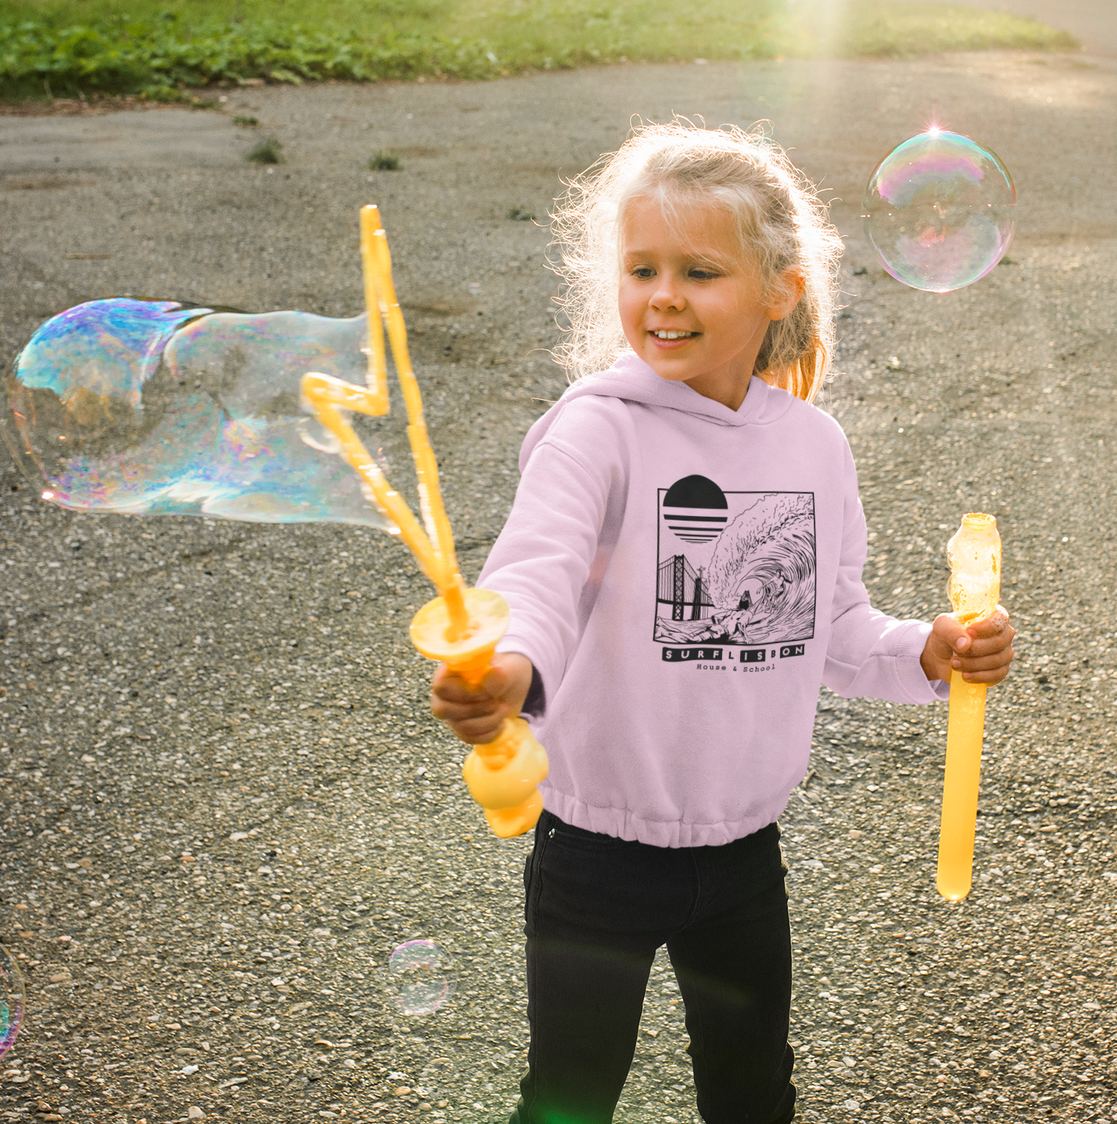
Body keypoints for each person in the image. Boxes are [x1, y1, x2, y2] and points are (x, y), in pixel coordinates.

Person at [430, 121, 1015, 1124]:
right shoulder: (596, 429)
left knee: (752, 1091)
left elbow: (830, 623)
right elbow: (537, 567)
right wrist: (509, 670)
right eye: (640, 267)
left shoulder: (812, 447)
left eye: (698, 270)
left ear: (778, 287)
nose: (661, 295)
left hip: (744, 850)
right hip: (596, 849)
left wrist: (922, 649)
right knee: (569, 1089)